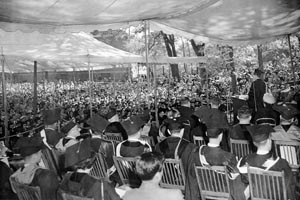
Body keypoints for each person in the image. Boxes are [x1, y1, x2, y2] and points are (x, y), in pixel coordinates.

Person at [185, 109, 244, 200]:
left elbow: (191, 180)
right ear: (221, 136)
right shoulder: (229, 157)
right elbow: (236, 184)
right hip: (225, 194)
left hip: (204, 194)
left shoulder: (196, 153)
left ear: (206, 133)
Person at [238, 125, 296, 200]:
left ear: (254, 143)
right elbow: (289, 188)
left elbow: (244, 181)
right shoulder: (281, 163)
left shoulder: (245, 160)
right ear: (269, 141)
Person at [10, 136, 59, 200]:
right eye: (40, 153)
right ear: (35, 156)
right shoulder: (46, 175)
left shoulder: (16, 175)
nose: (41, 155)